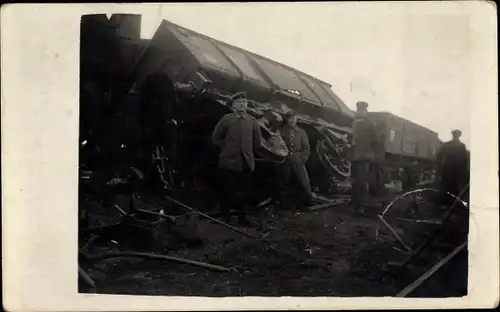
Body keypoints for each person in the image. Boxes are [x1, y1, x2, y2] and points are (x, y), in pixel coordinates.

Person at [211, 92, 263, 225]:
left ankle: (242, 217)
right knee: (226, 189)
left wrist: (247, 151)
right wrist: (227, 147)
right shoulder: (227, 119)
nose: (242, 104)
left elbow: (258, 143)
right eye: (239, 102)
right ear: (233, 105)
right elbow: (215, 138)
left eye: (244, 102)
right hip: (228, 161)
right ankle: (225, 216)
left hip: (246, 163)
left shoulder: (252, 121)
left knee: (244, 191)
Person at [279, 111, 314, 213]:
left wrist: (303, 159)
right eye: (290, 118)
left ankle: (305, 203)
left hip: (298, 160)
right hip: (285, 161)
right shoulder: (282, 131)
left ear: (297, 119)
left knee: (303, 181)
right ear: (287, 119)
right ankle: (286, 205)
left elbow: (306, 148)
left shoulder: (301, 132)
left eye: (294, 118)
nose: (292, 120)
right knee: (285, 182)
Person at [350, 101, 381, 214]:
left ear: (365, 111)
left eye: (362, 110)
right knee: (354, 181)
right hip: (354, 156)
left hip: (364, 157)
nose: (360, 112)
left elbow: (376, 141)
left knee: (362, 182)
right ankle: (355, 203)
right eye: (359, 110)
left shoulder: (370, 124)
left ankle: (361, 206)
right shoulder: (354, 122)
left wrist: (370, 153)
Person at [435, 129, 468, 207]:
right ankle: (451, 204)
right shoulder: (461, 146)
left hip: (448, 168)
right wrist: (464, 170)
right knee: (453, 186)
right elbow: (464, 159)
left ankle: (445, 203)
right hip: (455, 169)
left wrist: (440, 166)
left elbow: (439, 155)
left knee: (447, 186)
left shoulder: (447, 144)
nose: (456, 136)